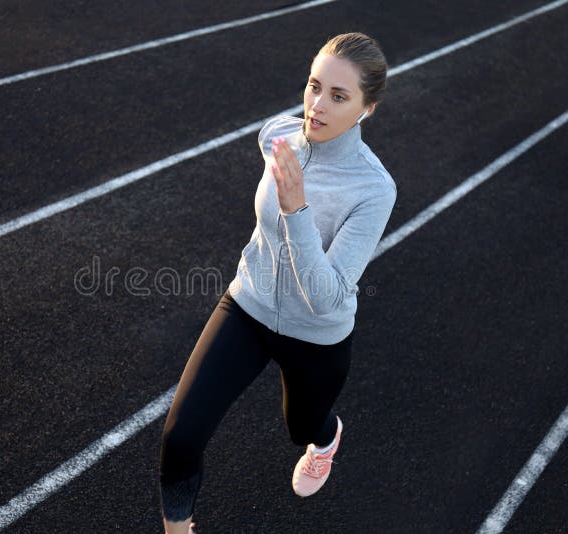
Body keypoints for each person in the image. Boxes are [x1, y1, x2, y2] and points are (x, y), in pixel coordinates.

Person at [158, 32, 397, 534]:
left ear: (366, 110)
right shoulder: (277, 135)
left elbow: (326, 293)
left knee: (301, 428)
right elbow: (272, 150)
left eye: (338, 96)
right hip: (248, 306)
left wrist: (296, 210)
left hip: (317, 334)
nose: (316, 105)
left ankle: (327, 438)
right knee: (181, 437)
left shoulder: (374, 190)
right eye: (314, 87)